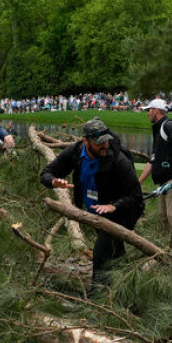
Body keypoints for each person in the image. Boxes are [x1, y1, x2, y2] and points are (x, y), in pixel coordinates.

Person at [40, 118, 144, 289]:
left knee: (101, 255)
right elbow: (47, 173)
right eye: (99, 143)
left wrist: (114, 206)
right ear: (85, 141)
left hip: (122, 212)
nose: (105, 146)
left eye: (106, 141)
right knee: (116, 253)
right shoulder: (75, 153)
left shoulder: (118, 161)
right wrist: (53, 182)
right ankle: (125, 287)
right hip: (97, 210)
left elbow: (136, 196)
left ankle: (97, 300)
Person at [138, 98, 172, 248]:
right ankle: (167, 245)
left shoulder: (169, 126)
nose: (148, 113)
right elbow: (153, 160)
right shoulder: (158, 129)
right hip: (164, 181)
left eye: (149, 110)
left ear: (156, 110)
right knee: (163, 215)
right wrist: (139, 181)